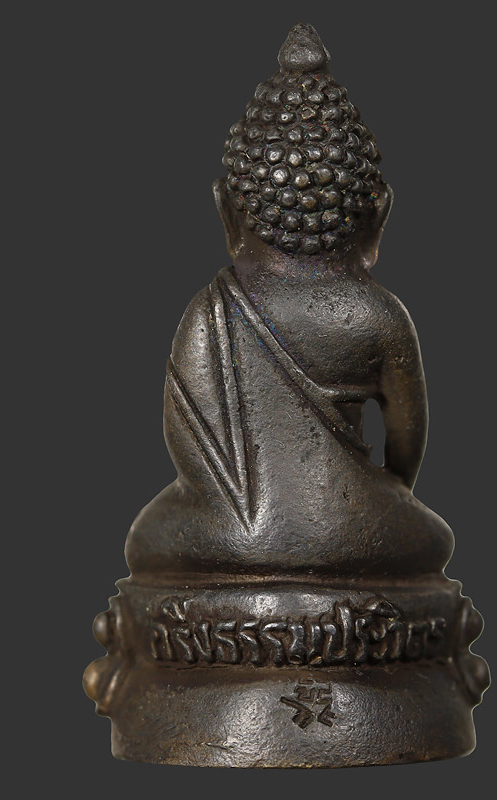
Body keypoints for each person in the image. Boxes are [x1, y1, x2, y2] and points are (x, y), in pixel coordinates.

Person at [125, 23, 454, 579]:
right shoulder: (378, 316)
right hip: (351, 527)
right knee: (428, 532)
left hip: (228, 537)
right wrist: (386, 498)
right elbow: (406, 447)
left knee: (150, 535)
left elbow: (188, 454)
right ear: (378, 217)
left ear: (227, 213)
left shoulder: (207, 312)